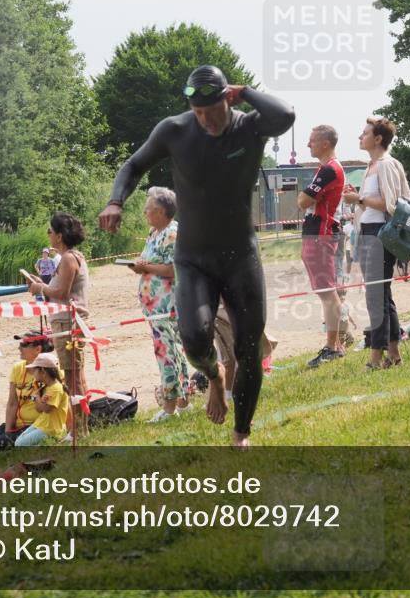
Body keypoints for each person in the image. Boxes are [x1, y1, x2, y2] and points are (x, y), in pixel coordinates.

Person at [97, 65, 294, 446]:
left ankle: (241, 434)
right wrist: (115, 201)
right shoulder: (175, 129)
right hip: (194, 258)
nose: (205, 119)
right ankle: (216, 377)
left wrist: (247, 91)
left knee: (248, 346)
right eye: (197, 111)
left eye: (212, 110)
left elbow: (285, 115)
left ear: (227, 98)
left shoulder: (249, 126)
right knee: (193, 340)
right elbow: (134, 164)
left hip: (240, 255)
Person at [341, 116, 410, 371]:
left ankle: (375, 356)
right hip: (369, 232)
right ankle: (393, 352)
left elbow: (392, 204)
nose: (360, 137)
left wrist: (359, 198)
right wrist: (358, 198)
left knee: (375, 297)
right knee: (383, 295)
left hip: (381, 233)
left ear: (378, 138)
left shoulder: (385, 164)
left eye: (365, 133)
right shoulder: (372, 165)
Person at [127, 187, 191, 422]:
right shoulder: (154, 233)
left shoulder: (172, 233)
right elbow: (153, 263)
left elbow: (175, 269)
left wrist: (146, 268)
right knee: (172, 352)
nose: (144, 212)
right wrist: (141, 266)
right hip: (154, 308)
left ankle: (170, 407)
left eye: (148, 209)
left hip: (167, 307)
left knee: (168, 354)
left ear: (161, 211)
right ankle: (183, 403)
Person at [26, 213, 90, 437]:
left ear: (60, 236)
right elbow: (62, 290)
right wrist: (41, 284)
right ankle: (80, 429)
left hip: (68, 322)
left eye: (50, 231)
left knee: (73, 378)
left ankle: (79, 431)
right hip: (67, 321)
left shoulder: (69, 259)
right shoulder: (71, 257)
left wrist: (40, 288)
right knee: (76, 376)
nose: (48, 235)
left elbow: (62, 293)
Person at [297, 124, 346, 369]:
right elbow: (305, 200)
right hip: (317, 234)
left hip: (320, 234)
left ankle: (332, 347)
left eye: (312, 140)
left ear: (325, 143)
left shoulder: (329, 170)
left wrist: (305, 198)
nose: (308, 144)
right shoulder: (325, 169)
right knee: (327, 292)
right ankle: (335, 344)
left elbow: (303, 200)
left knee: (328, 293)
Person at [0, 329, 54, 456]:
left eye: (24, 344)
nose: (19, 348)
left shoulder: (50, 371)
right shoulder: (18, 368)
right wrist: (8, 431)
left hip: (35, 426)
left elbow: (49, 408)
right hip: (18, 423)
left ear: (38, 349)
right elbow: (12, 402)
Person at [15, 353, 70, 446]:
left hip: (51, 428)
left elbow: (46, 409)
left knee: (19, 444)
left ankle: (51, 443)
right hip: (43, 424)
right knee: (18, 443)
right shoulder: (46, 387)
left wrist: (37, 395)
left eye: (35, 370)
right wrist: (38, 395)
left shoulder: (56, 388)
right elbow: (38, 409)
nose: (33, 374)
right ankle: (48, 444)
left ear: (43, 371)